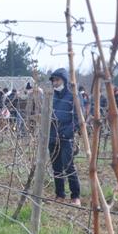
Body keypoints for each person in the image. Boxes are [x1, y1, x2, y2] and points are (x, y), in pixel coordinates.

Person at [48, 68, 81, 206]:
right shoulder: (51, 96)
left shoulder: (73, 96)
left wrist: (67, 132)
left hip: (66, 138)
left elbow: (78, 118)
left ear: (65, 80)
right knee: (56, 166)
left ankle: (75, 196)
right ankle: (60, 194)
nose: (55, 83)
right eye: (53, 80)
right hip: (52, 136)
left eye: (57, 80)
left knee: (68, 165)